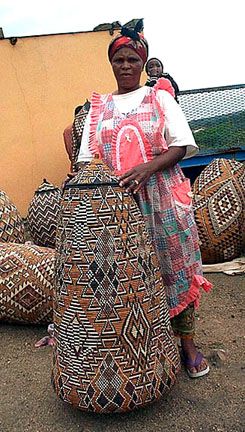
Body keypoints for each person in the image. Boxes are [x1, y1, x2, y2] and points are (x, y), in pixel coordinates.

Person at [76, 21, 212, 378]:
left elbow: (181, 145)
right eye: (119, 59)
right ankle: (137, 352)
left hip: (163, 201)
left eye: (132, 60)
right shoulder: (98, 108)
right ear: (111, 63)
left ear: (143, 62)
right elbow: (86, 161)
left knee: (174, 269)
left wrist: (147, 168)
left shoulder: (159, 97)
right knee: (122, 279)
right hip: (115, 209)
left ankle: (187, 345)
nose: (125, 66)